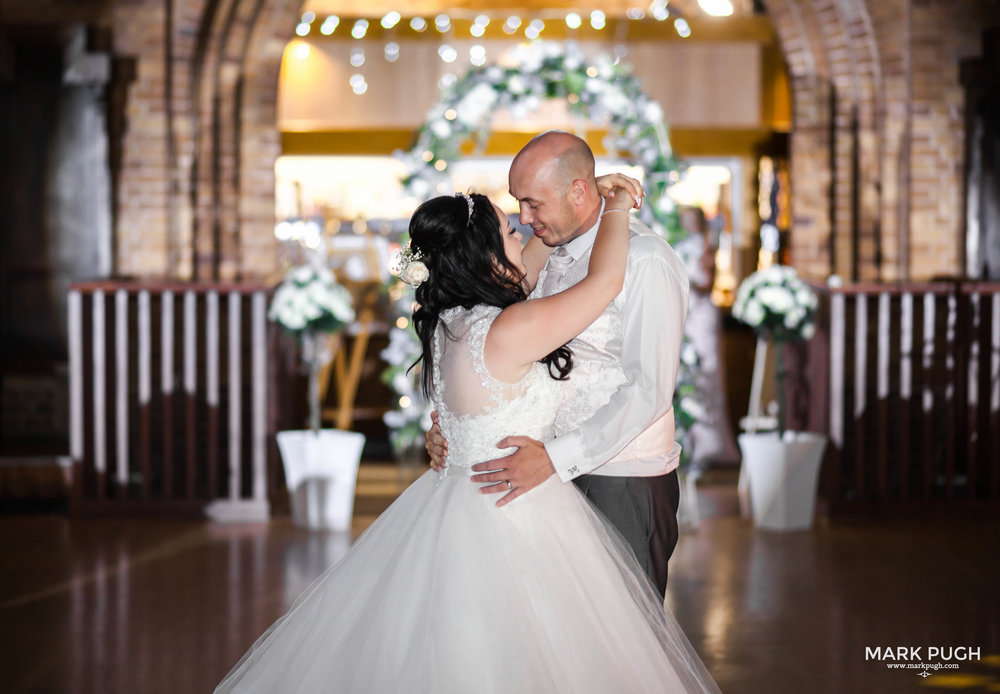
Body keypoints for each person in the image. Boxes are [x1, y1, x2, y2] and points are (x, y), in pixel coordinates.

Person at [214, 189, 720, 693]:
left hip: (455, 499)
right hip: (516, 512)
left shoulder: (449, 322)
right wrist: (612, 206)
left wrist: (445, 434)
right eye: (507, 229)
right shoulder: (510, 327)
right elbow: (607, 281)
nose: (522, 231)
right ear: (485, 254)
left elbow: (518, 272)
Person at [427, 130, 689, 595]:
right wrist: (456, 428)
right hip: (539, 482)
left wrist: (556, 458)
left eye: (533, 204)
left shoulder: (645, 260)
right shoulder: (539, 257)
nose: (524, 219)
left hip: (618, 478)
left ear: (579, 191)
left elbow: (649, 389)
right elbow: (484, 354)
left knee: (624, 643)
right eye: (518, 207)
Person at [675, 205, 739, 476]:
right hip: (683, 315)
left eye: (691, 220)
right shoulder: (676, 245)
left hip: (701, 315)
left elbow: (707, 284)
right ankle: (687, 444)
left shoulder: (707, 246)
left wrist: (684, 280)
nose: (687, 224)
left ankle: (712, 446)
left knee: (707, 376)